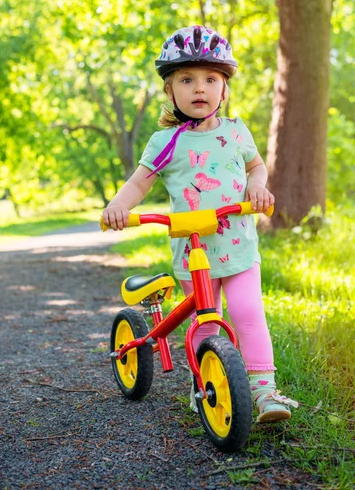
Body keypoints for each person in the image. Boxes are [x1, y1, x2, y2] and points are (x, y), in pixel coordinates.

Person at [102, 25, 298, 422]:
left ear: (223, 90)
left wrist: (257, 188)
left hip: (239, 243)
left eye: (211, 79)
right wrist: (118, 206)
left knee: (246, 312)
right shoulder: (166, 141)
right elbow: (140, 182)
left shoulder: (236, 131)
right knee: (207, 322)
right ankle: (203, 386)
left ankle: (264, 390)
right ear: (170, 91)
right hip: (195, 250)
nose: (199, 88)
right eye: (186, 79)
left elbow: (256, 167)